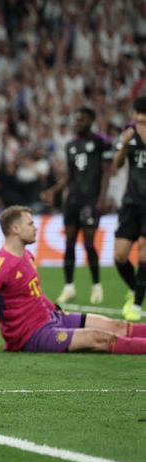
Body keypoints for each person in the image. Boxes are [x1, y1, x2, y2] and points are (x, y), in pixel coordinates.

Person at [0, 205, 146, 356]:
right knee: (99, 338)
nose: (35, 227)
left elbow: (33, 293)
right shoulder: (0, 266)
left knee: (116, 325)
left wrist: (54, 308)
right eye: (30, 224)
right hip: (31, 335)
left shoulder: (27, 255)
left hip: (50, 317)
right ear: (15, 228)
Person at [41, 107, 112, 305]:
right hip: (73, 200)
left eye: (81, 119)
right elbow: (69, 175)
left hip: (91, 199)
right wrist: (54, 191)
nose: (77, 123)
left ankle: (97, 285)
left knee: (89, 243)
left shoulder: (101, 142)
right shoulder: (71, 145)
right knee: (69, 243)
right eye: (76, 119)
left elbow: (107, 172)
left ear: (90, 120)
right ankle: (69, 287)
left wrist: (102, 198)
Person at [113, 96, 146, 322]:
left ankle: (136, 305)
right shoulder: (129, 134)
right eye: (136, 113)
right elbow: (116, 165)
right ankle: (136, 288)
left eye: (142, 114)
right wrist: (124, 144)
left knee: (144, 248)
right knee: (120, 255)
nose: (138, 118)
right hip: (131, 202)